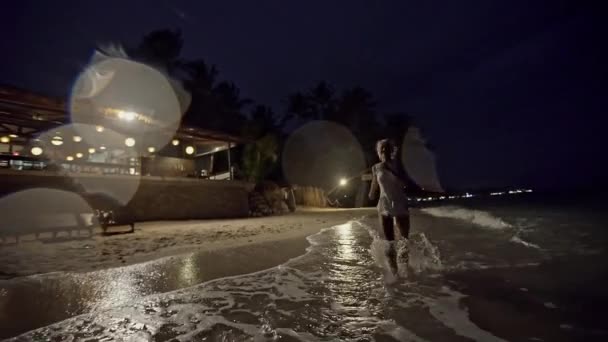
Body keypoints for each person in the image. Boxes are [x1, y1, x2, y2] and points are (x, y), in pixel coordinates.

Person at [368, 138, 415, 275]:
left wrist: (390, 169)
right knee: (389, 242)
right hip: (384, 204)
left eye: (387, 149)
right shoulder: (376, 167)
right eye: (382, 149)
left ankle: (404, 269)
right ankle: (394, 272)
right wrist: (371, 194)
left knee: (404, 240)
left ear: (392, 151)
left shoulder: (399, 166)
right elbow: (373, 188)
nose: (384, 151)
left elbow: (405, 183)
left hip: (400, 202)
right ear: (379, 152)